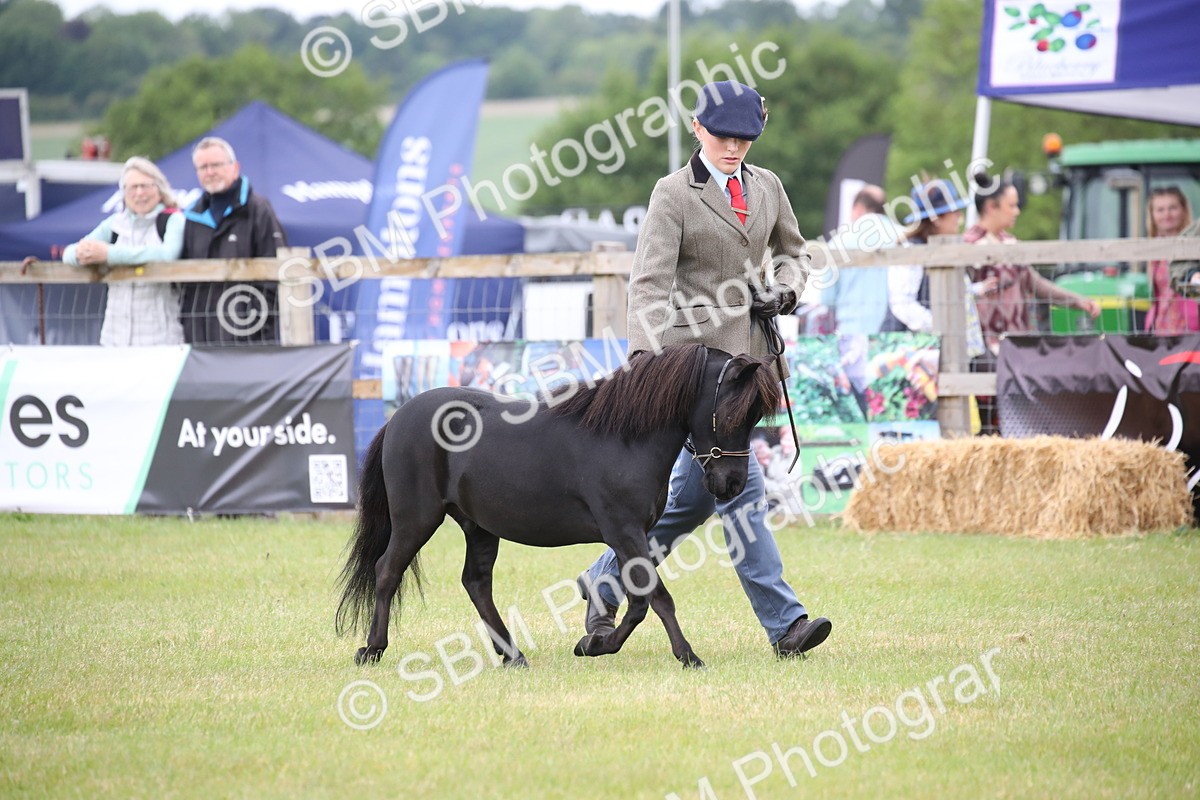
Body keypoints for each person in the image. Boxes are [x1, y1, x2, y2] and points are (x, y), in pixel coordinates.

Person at [577, 80, 831, 659]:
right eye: (723, 136)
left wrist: (785, 294)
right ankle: (786, 625)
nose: (734, 148)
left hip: (747, 369)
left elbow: (794, 253)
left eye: (745, 138)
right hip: (691, 375)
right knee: (743, 494)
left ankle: (604, 579)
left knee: (693, 498)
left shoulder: (768, 185)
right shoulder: (673, 194)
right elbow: (648, 283)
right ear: (698, 130)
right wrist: (644, 361)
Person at [965, 170, 1100, 431]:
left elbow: (1035, 284)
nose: (1016, 212)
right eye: (1012, 205)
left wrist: (1076, 301)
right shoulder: (969, 246)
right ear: (991, 207)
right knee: (989, 419)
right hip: (984, 346)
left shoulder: (1011, 243)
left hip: (1018, 343)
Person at [61, 156, 185, 346]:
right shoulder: (113, 224)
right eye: (132, 187)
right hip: (114, 338)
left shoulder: (173, 220)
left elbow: (167, 254)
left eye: (145, 186)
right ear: (124, 193)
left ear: (159, 190)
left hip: (161, 340)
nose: (139, 193)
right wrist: (80, 254)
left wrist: (109, 255)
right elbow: (68, 253)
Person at [179, 136, 287, 344]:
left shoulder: (259, 210)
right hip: (201, 339)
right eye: (203, 167)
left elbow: (276, 274)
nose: (210, 172)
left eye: (216, 165)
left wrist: (255, 325)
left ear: (235, 167)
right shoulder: (192, 217)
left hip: (250, 341)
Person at [889, 179, 992, 359]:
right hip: (922, 349)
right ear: (937, 220)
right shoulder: (912, 251)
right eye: (954, 212)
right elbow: (902, 303)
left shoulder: (941, 249)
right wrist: (942, 325)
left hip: (946, 347)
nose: (958, 217)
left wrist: (976, 289)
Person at [821, 185, 897, 334]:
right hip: (894, 332)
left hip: (851, 330)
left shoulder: (838, 242)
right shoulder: (902, 237)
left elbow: (827, 298)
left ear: (858, 208)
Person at [1144, 186, 1198, 334]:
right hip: (1161, 329)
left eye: (1172, 208)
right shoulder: (1153, 252)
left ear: (1183, 210)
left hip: (1192, 330)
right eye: (1160, 210)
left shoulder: (1194, 244)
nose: (1167, 214)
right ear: (1152, 215)